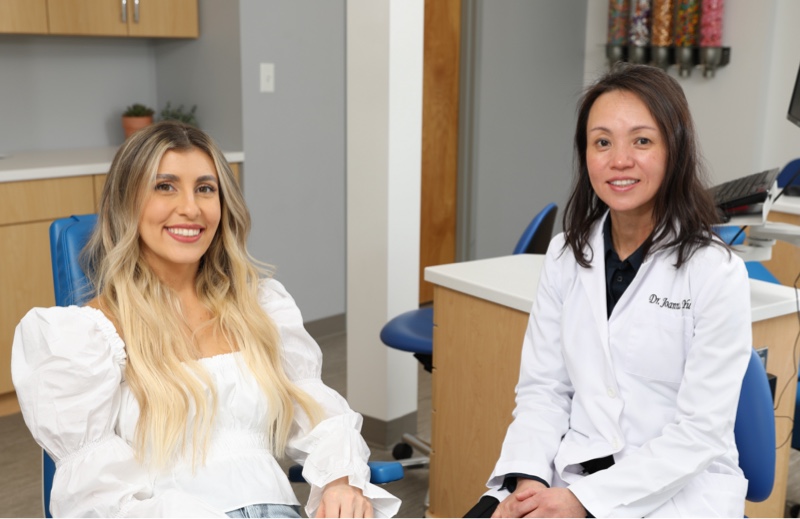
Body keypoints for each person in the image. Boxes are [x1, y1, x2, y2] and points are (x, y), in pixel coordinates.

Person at [12, 120, 400, 518]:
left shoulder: (261, 308)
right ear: (125, 202)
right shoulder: (85, 336)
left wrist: (340, 481)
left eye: (205, 188)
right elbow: (97, 494)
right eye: (165, 186)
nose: (191, 208)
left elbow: (315, 409)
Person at [466, 63, 752, 518]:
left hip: (677, 490)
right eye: (602, 142)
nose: (619, 160)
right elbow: (544, 391)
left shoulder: (716, 273)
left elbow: (699, 432)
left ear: (673, 150)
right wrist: (528, 485)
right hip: (573, 469)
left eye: (641, 140)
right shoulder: (565, 256)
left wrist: (582, 502)